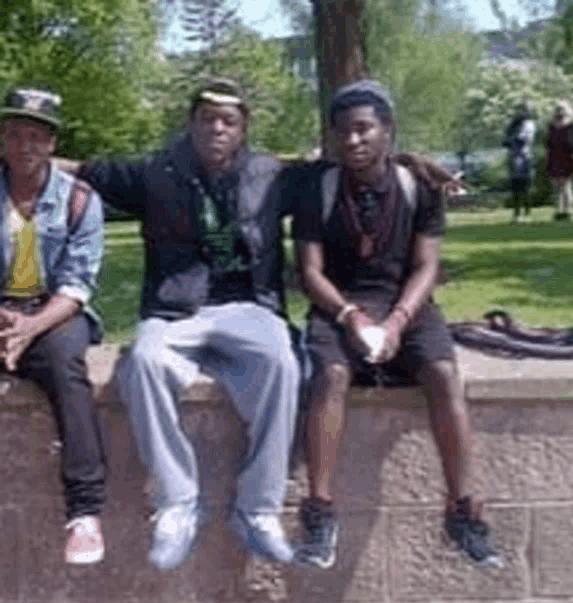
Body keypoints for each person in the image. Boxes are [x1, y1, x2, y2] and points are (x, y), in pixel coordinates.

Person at [76, 78, 304, 571]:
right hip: (176, 308)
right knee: (144, 361)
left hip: (249, 305)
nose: (217, 129)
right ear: (191, 122)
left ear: (243, 129)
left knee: (283, 363)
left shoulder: (270, 173)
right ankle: (177, 504)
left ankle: (258, 510)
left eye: (229, 121)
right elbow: (83, 169)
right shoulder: (155, 171)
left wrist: (411, 165)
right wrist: (22, 157)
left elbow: (341, 172)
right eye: (207, 119)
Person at [293, 80, 502, 570]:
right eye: (343, 131)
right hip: (338, 303)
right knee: (332, 376)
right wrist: (351, 317)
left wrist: (398, 321)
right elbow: (309, 271)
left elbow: (427, 266)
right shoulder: (317, 189)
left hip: (406, 302)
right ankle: (320, 513)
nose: (353, 141)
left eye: (365, 129)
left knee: (444, 375)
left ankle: (462, 509)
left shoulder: (419, 188)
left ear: (388, 132)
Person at [0, 88, 106, 564]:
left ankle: (85, 514)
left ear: (51, 144)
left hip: (53, 311)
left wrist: (28, 328)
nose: (25, 146)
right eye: (15, 134)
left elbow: (79, 285)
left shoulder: (80, 201)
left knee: (67, 365)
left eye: (36, 137)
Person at [545, 100, 573, 221]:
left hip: (567, 159)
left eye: (562, 110)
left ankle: (567, 210)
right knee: (556, 186)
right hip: (554, 158)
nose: (559, 112)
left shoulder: (572, 127)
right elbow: (547, 143)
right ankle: (558, 210)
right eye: (558, 110)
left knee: (566, 185)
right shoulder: (551, 127)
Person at [503, 102, 536, 222]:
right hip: (513, 156)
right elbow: (506, 139)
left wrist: (512, 140)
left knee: (524, 185)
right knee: (515, 186)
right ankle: (516, 213)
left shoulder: (529, 124)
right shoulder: (514, 124)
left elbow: (524, 139)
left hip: (524, 157)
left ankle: (527, 212)